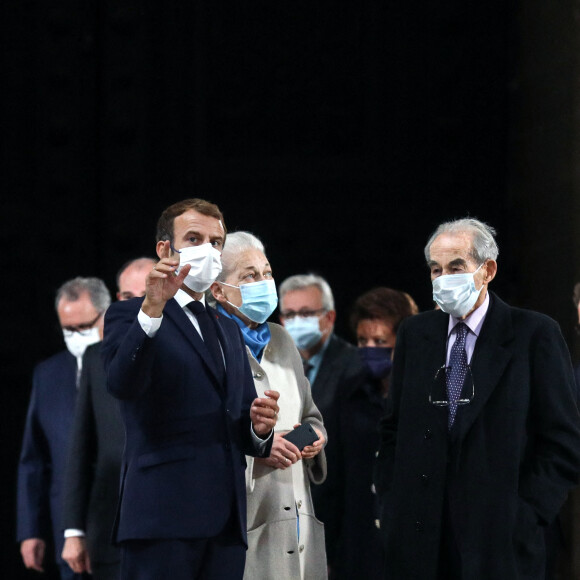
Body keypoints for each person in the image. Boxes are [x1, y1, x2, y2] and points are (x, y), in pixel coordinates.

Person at [374, 217, 580, 579]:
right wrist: (392, 508)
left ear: (488, 270)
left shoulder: (534, 334)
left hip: (500, 541)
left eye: (456, 267)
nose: (443, 278)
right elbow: (393, 430)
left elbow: (563, 441)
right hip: (421, 537)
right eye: (435, 269)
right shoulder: (414, 333)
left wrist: (527, 513)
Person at [100, 198, 280, 579]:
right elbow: (121, 383)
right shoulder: (130, 315)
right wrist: (152, 309)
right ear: (165, 249)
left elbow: (243, 419)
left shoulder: (229, 328)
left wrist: (259, 428)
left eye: (216, 242)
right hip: (162, 517)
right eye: (194, 238)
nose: (209, 250)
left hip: (226, 523)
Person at [209, 231, 328, 580]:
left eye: (267, 273)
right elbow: (199, 437)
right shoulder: (209, 344)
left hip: (298, 519)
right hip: (244, 526)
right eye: (249, 275)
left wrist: (317, 437)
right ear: (218, 290)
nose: (264, 282)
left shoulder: (281, 338)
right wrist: (257, 447)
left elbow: (310, 414)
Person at [60, 257, 156, 579]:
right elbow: (80, 449)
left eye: (148, 292)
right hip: (112, 530)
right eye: (129, 296)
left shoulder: (194, 351)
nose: (139, 303)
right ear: (118, 301)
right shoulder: (95, 359)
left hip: (176, 525)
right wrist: (74, 530)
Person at [17, 277, 112, 580]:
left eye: (83, 327)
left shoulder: (126, 365)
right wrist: (30, 530)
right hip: (65, 531)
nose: (75, 336)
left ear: (106, 315)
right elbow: (33, 459)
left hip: (117, 526)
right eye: (67, 329)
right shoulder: (48, 374)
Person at [325, 287, 416, 579]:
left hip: (408, 542)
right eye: (363, 341)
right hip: (358, 544)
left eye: (380, 341)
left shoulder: (425, 397)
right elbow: (335, 474)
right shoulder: (349, 393)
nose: (370, 349)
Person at [278, 273, 360, 528]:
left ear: (330, 317)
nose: (296, 321)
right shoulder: (274, 365)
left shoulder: (355, 367)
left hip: (336, 510)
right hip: (288, 507)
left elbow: (349, 451)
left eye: (306, 313)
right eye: (290, 315)